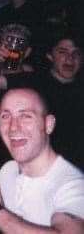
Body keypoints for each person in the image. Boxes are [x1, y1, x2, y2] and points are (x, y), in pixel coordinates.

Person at [0, 87, 84, 232]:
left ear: (48, 124)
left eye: (25, 116)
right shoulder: (8, 170)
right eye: (5, 116)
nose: (13, 127)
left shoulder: (74, 185)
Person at [37, 34, 83, 168]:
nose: (70, 58)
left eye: (77, 53)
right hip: (41, 166)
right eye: (63, 52)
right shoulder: (34, 82)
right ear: (50, 56)